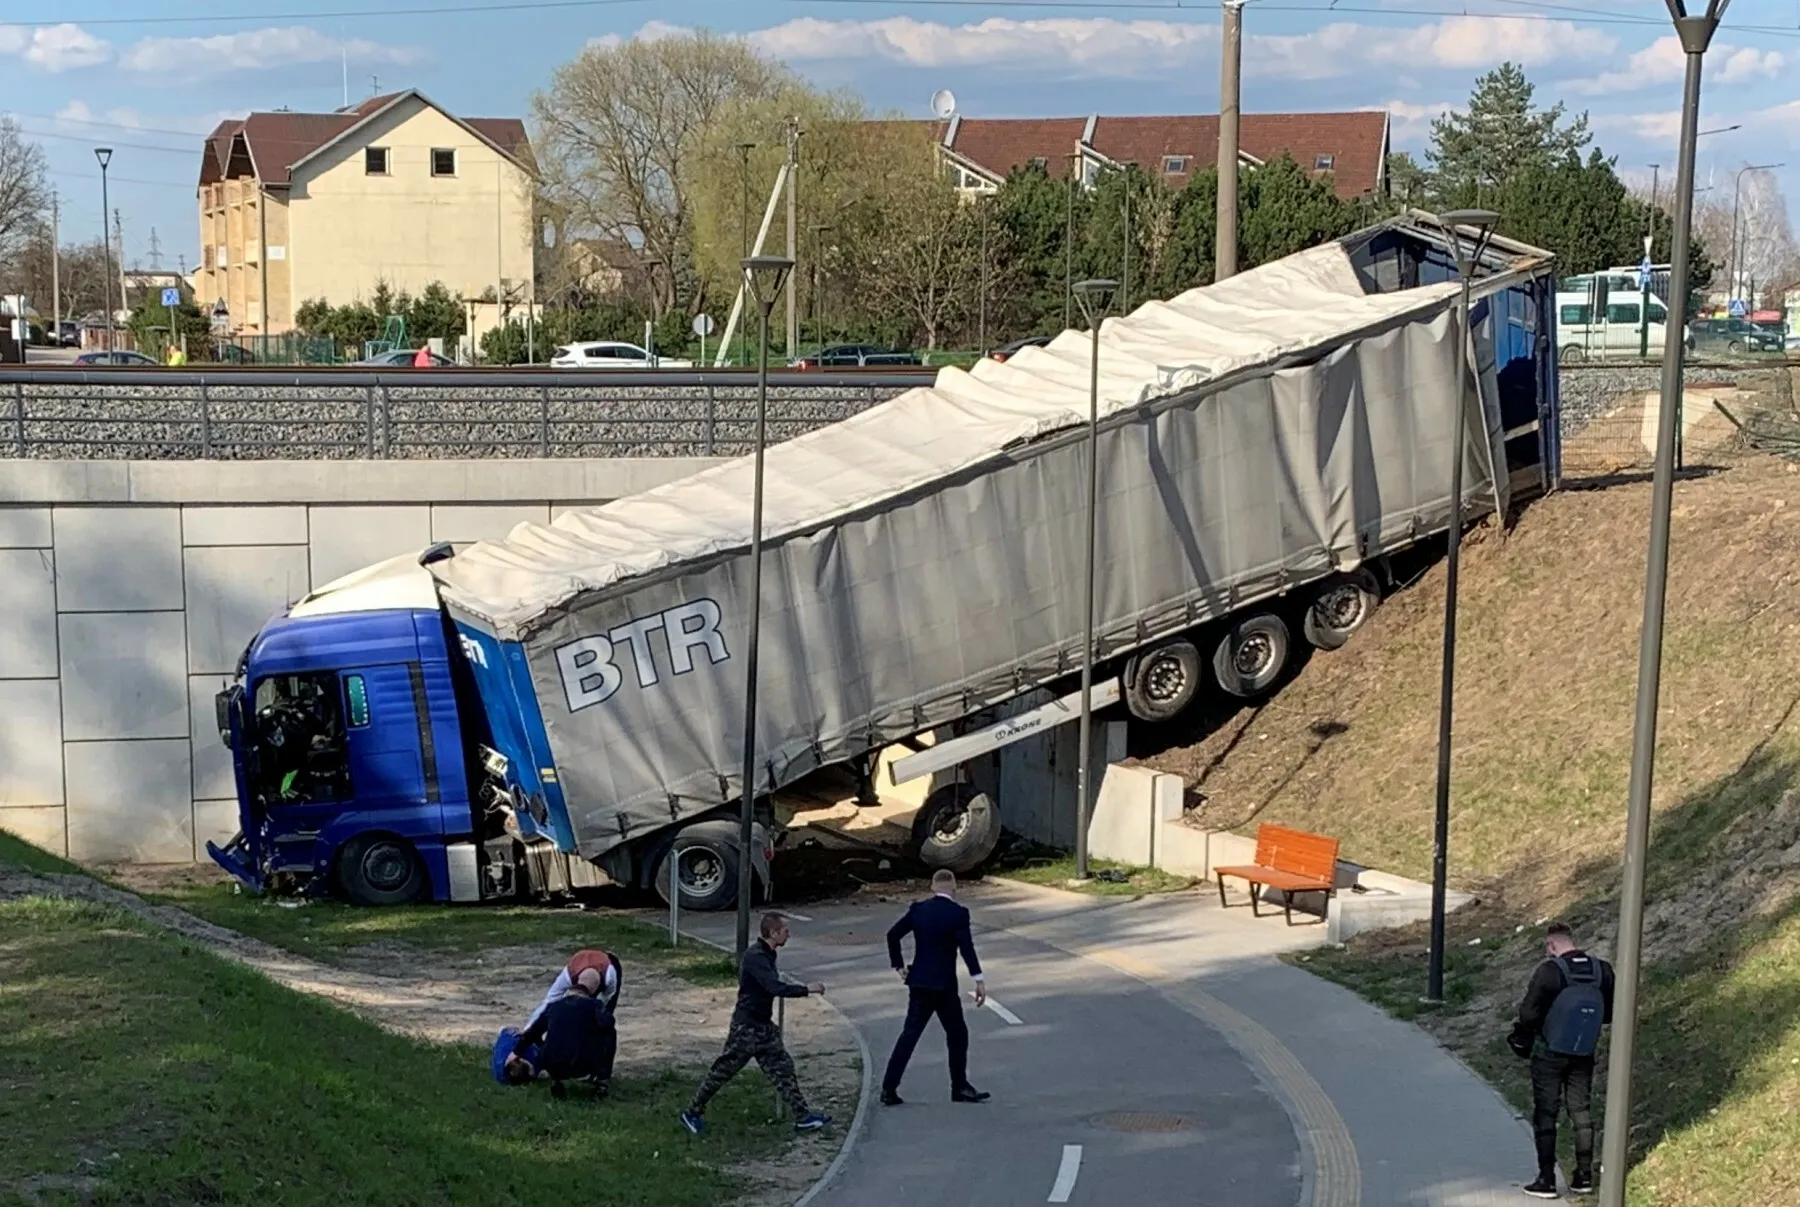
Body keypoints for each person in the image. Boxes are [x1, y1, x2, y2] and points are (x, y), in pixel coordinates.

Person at [681, 912, 831, 1135]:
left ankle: (803, 1117)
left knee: (783, 1068)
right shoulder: (756, 957)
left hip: (762, 1026)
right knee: (722, 1071)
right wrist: (806, 989)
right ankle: (692, 1112)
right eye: (785, 931)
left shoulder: (768, 954)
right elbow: (774, 987)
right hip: (747, 1028)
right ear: (773, 933)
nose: (788, 935)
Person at [1508, 921, 1615, 1199]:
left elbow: (1529, 1014)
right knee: (1581, 1110)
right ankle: (1583, 1177)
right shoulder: (1602, 970)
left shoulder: (1549, 971)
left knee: (1546, 1112)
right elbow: (1608, 1014)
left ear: (1551, 945)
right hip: (1583, 1052)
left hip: (1549, 1052)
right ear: (1573, 940)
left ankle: (1546, 1179)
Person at [880, 868, 990, 1106]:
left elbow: (892, 935)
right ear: (954, 887)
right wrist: (978, 979)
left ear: (932, 887)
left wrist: (899, 966)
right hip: (944, 986)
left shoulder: (918, 910)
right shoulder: (958, 914)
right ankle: (959, 1086)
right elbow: (967, 948)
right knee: (957, 1034)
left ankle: (889, 1088)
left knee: (909, 1035)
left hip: (918, 982)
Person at [507, 967, 617, 1098]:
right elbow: (608, 1023)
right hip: (584, 1064)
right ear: (594, 989)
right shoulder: (595, 1005)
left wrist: (516, 1052)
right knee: (610, 1033)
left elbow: (533, 1032)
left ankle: (556, 1080)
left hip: (552, 1064)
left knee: (544, 1032)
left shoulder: (554, 1006)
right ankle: (602, 1082)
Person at [523, 949, 622, 1033]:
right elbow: (550, 1000)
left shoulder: (610, 977)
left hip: (607, 965)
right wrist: (528, 1029)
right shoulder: (568, 974)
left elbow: (608, 996)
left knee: (603, 1018)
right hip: (581, 965)